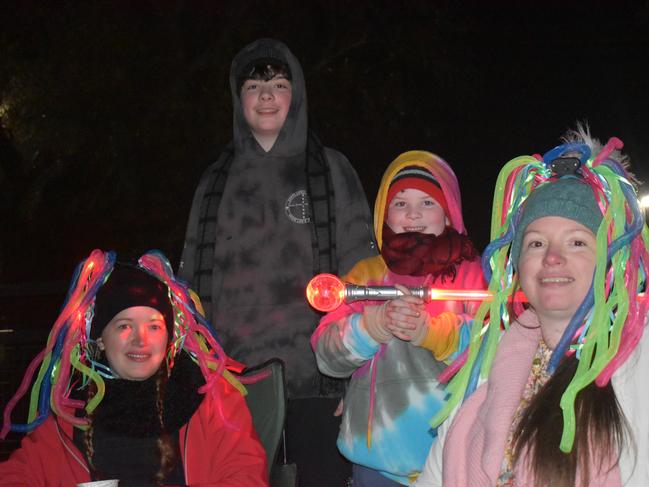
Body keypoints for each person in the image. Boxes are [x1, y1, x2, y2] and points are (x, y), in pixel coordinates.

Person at [178, 38, 376, 485]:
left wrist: (360, 378)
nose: (266, 96)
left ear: (297, 95)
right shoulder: (215, 181)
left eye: (279, 84)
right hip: (232, 392)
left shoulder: (331, 169)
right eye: (253, 86)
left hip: (319, 383)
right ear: (238, 100)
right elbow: (187, 287)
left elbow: (364, 276)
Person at [416, 126, 649, 486]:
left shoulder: (638, 360)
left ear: (610, 260)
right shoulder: (486, 367)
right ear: (517, 264)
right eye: (537, 244)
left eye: (576, 243)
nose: (553, 258)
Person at [0, 250, 268, 486]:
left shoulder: (211, 397)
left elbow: (248, 478)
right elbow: (15, 476)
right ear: (101, 339)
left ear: (169, 336)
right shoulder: (70, 410)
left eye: (154, 326)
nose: (141, 340)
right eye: (124, 326)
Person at [311, 151, 485, 486]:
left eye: (428, 203)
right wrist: (371, 327)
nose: (414, 213)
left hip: (454, 458)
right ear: (383, 214)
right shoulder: (365, 276)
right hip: (377, 463)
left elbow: (492, 348)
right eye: (401, 203)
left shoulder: (471, 275)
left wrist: (434, 334)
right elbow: (326, 355)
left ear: (449, 212)